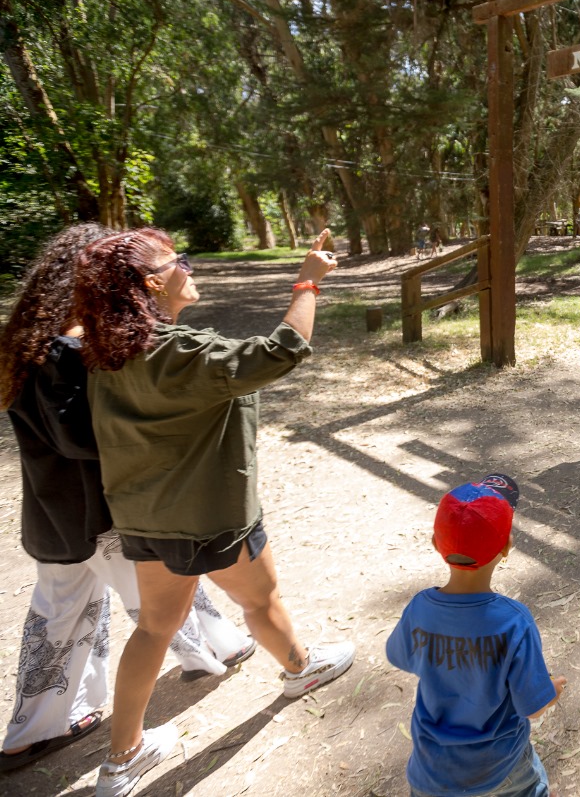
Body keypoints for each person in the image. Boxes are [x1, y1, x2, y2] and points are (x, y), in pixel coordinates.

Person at [74, 228, 355, 797]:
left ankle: (121, 760)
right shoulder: (179, 353)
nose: (189, 269)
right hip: (209, 518)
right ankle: (302, 669)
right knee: (259, 597)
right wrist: (308, 281)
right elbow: (281, 351)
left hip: (143, 519)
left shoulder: (108, 354)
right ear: (153, 282)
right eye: (180, 262)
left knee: (154, 627)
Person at [0, 225, 254, 775]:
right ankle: (217, 650)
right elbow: (78, 438)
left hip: (55, 517)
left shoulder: (27, 342)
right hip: (102, 514)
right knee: (159, 598)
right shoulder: (67, 349)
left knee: (58, 621)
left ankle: (32, 732)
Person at [386, 474, 566, 797]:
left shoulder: (419, 609)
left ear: (435, 544)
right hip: (502, 770)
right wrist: (550, 690)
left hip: (430, 773)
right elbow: (533, 707)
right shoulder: (514, 622)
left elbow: (400, 656)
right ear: (507, 548)